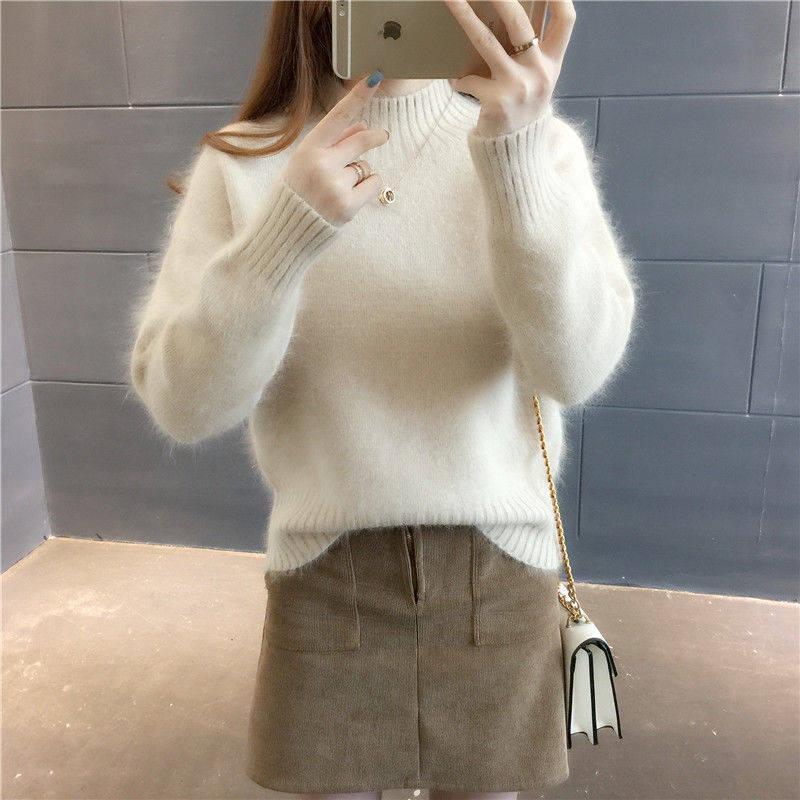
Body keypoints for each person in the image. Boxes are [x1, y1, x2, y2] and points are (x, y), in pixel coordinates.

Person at [127, 0, 637, 797]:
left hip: (500, 572)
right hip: (327, 579)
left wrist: (517, 161)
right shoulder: (247, 166)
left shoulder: (537, 147)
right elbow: (183, 404)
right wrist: (284, 233)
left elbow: (574, 371)